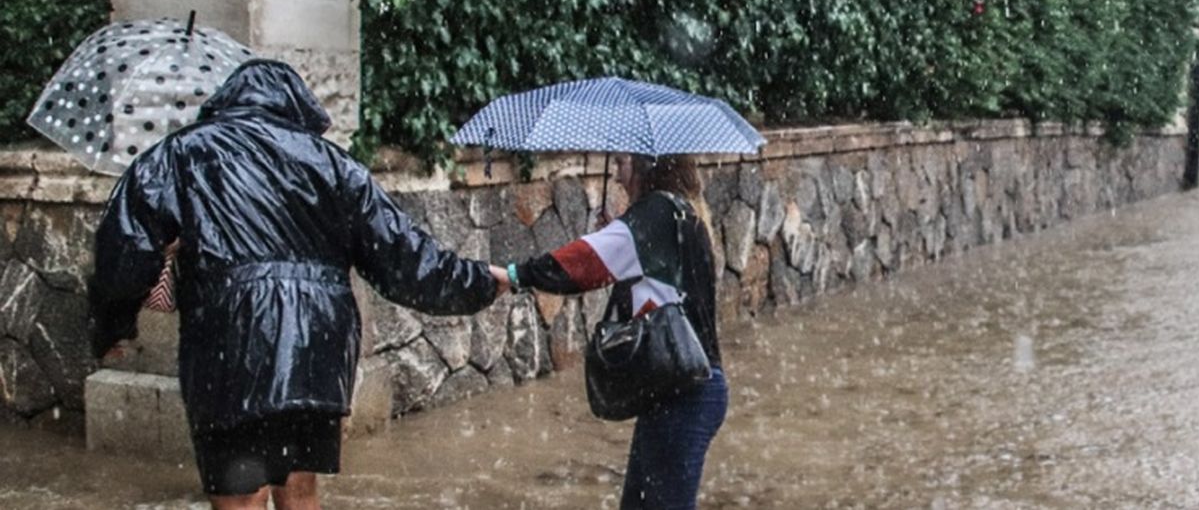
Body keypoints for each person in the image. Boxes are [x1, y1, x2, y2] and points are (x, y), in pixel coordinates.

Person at [88, 59, 511, 510]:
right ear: (298, 106)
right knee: (300, 489)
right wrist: (480, 282)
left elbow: (124, 249)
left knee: (240, 495)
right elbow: (406, 259)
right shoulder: (334, 165)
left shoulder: (182, 154)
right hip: (317, 349)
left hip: (233, 345)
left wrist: (112, 327)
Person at [507, 152, 726, 510]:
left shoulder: (656, 212)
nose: (619, 176)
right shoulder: (685, 213)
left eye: (622, 163)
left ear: (647, 165)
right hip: (683, 388)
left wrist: (516, 276)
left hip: (683, 395)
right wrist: (621, 233)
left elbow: (583, 265)